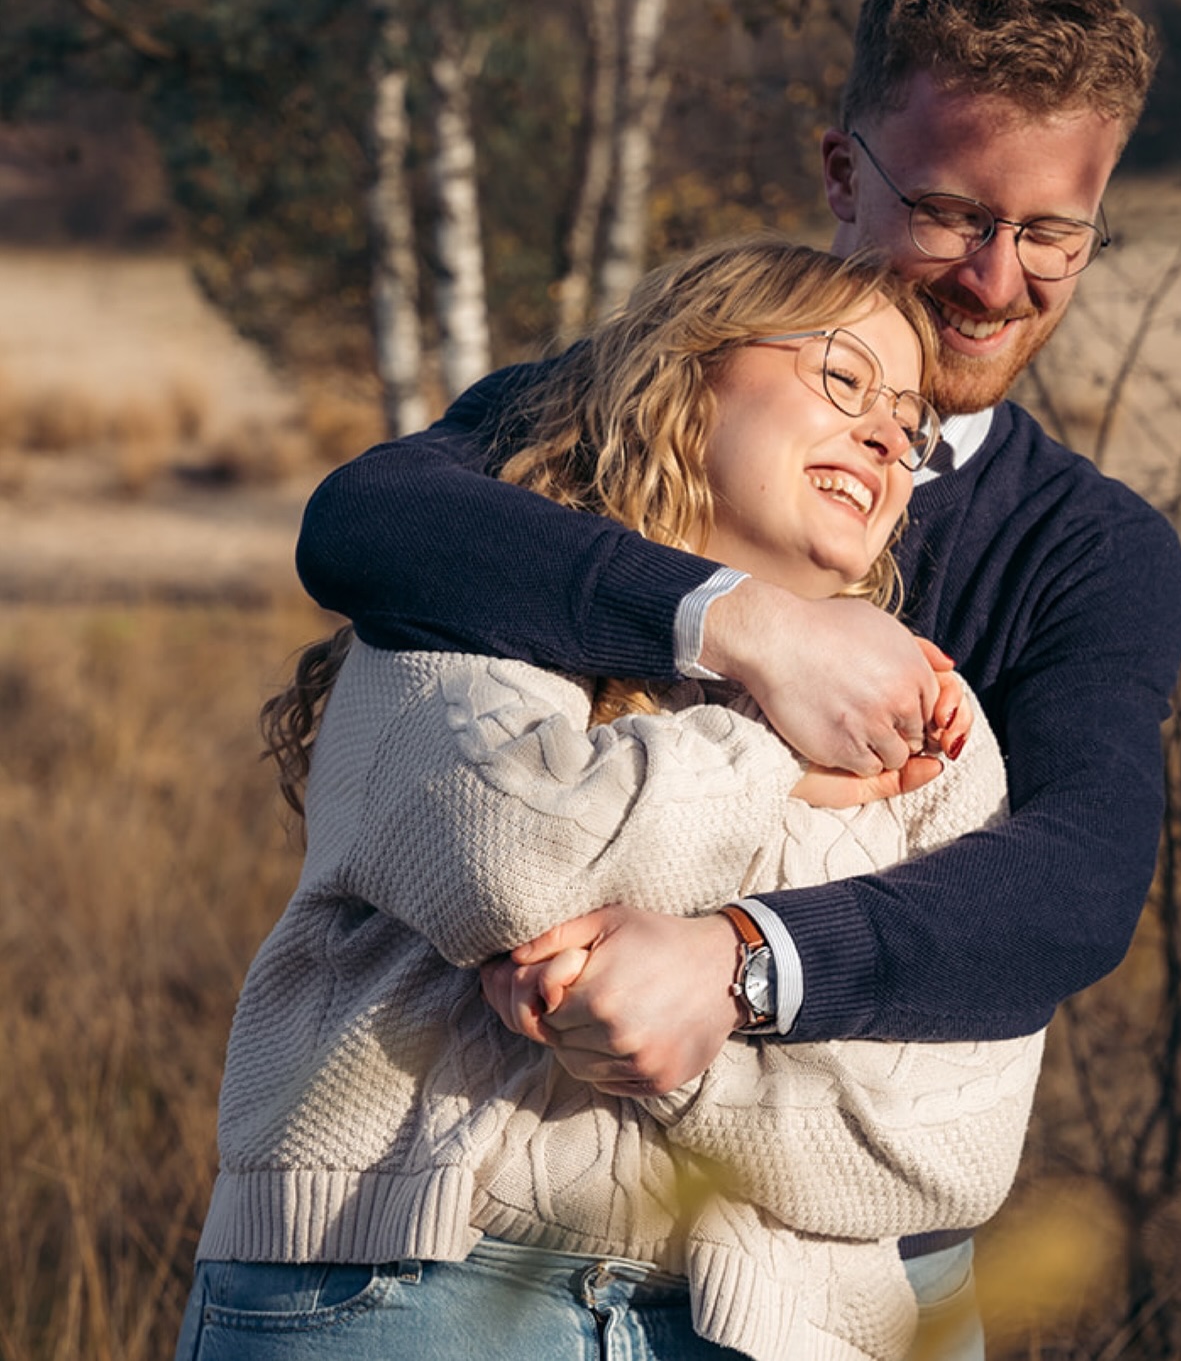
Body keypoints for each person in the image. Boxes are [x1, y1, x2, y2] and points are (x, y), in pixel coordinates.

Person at [295, 0, 1181, 1348]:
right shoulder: (621, 400)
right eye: (951, 211)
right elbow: (367, 521)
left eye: (1054, 232)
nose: (995, 279)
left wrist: (743, 958)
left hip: (853, 1262)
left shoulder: (1091, 547)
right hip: (491, 1240)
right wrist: (743, 624)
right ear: (843, 171)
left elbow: (1075, 880)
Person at [177, 240, 1044, 1361]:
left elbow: (956, 1146)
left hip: (784, 1328)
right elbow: (523, 860)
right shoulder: (466, 599)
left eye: (911, 420)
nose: (888, 433)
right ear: (687, 377)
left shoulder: (928, 718)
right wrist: (766, 746)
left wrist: (695, 1022)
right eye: (843, 378)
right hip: (419, 1280)